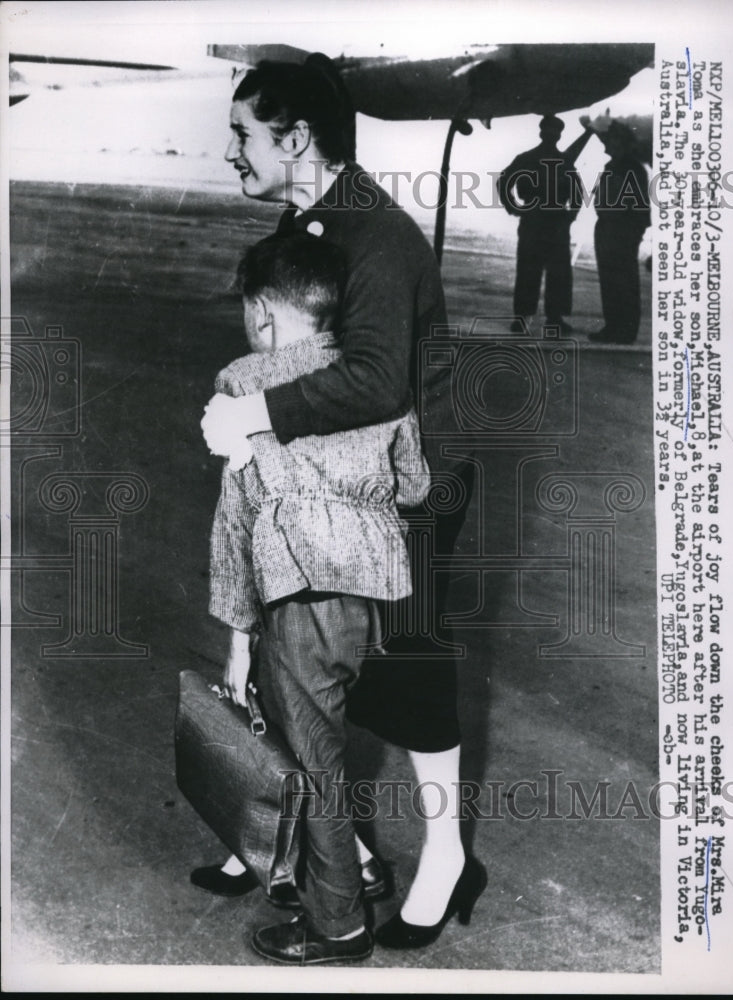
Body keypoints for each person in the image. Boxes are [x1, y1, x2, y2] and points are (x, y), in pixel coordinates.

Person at [199, 56, 486, 953]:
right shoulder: (319, 217)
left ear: (297, 140)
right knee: (301, 664)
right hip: (327, 484)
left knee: (410, 672)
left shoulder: (381, 238)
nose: (231, 152)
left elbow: (373, 378)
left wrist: (255, 411)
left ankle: (445, 855)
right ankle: (319, 848)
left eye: (244, 135)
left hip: (406, 487)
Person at [206, 232, 431, 964]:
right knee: (319, 739)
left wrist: (238, 631)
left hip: (295, 590)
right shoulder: (371, 378)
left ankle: (336, 922)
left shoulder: (246, 382)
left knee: (312, 761)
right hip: (367, 598)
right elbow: (415, 484)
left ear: (264, 314)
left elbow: (236, 516)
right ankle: (347, 868)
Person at [497, 114, 587, 333]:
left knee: (534, 270)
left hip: (540, 221)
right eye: (550, 133)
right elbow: (576, 194)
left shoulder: (529, 159)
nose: (551, 137)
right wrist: (514, 207)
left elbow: (504, 181)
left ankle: (529, 318)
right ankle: (549, 319)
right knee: (551, 272)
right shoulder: (560, 162)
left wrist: (514, 207)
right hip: (548, 222)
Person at [586, 119, 651, 344]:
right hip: (607, 228)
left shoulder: (631, 168)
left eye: (610, 140)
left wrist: (633, 232)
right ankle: (613, 327)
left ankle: (625, 330)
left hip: (622, 231)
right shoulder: (613, 166)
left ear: (620, 142)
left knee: (623, 282)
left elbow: (640, 205)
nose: (605, 145)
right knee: (610, 281)